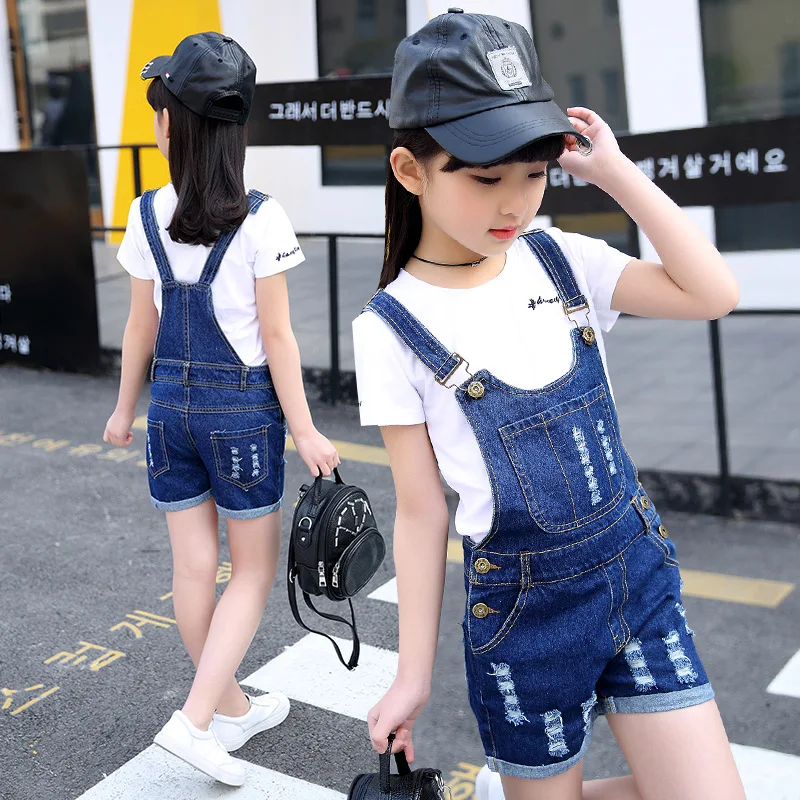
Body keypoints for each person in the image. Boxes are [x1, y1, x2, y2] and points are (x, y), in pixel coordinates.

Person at [355, 11, 746, 800]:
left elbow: (713, 293)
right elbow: (422, 511)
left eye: (534, 175)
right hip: (522, 618)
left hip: (636, 577)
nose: (515, 204)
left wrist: (618, 175)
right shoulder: (390, 327)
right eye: (486, 179)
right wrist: (412, 675)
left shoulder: (559, 257)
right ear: (410, 170)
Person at [103, 32, 339, 787]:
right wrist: (304, 428)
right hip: (239, 414)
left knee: (194, 568)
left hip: (169, 410)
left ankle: (231, 706)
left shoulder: (145, 213)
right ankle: (196, 720)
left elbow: (140, 326)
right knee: (253, 571)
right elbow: (278, 338)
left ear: (171, 125)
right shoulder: (263, 219)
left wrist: (124, 409)